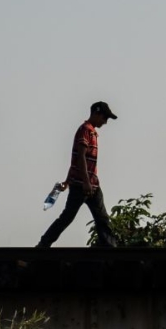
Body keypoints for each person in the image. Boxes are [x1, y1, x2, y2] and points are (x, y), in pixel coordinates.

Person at [37, 101, 120, 248]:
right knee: (67, 218)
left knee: (102, 219)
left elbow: (75, 160)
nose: (105, 122)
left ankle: (110, 249)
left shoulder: (92, 132)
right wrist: (84, 182)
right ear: (97, 114)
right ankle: (43, 244)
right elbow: (80, 157)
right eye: (104, 118)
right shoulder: (85, 131)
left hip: (93, 185)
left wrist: (68, 181)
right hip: (81, 186)